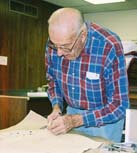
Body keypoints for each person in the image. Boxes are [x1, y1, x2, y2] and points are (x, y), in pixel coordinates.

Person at [45, 7, 129, 142]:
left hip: (105, 122)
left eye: (66, 47)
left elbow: (119, 106)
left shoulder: (108, 46)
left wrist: (77, 120)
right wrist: (57, 107)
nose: (59, 52)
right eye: (56, 46)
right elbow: (53, 81)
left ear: (83, 35)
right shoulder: (56, 43)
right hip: (70, 115)